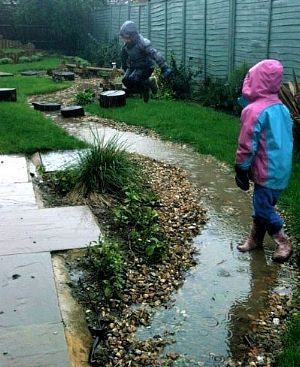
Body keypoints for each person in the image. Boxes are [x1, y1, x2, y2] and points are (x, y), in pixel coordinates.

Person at [235, 59, 293, 263]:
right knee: (264, 204)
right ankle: (255, 239)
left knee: (262, 206)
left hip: (266, 169)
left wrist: (241, 168)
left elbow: (247, 144)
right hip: (281, 168)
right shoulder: (282, 109)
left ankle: (283, 242)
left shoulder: (254, 111)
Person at [119, 20, 171, 102]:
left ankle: (149, 83)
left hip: (145, 67)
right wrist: (124, 67)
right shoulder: (126, 45)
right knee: (125, 81)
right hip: (133, 66)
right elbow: (123, 56)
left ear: (133, 36)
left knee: (134, 80)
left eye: (126, 37)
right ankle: (145, 86)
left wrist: (164, 67)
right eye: (123, 38)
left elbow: (155, 54)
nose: (124, 40)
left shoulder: (143, 43)